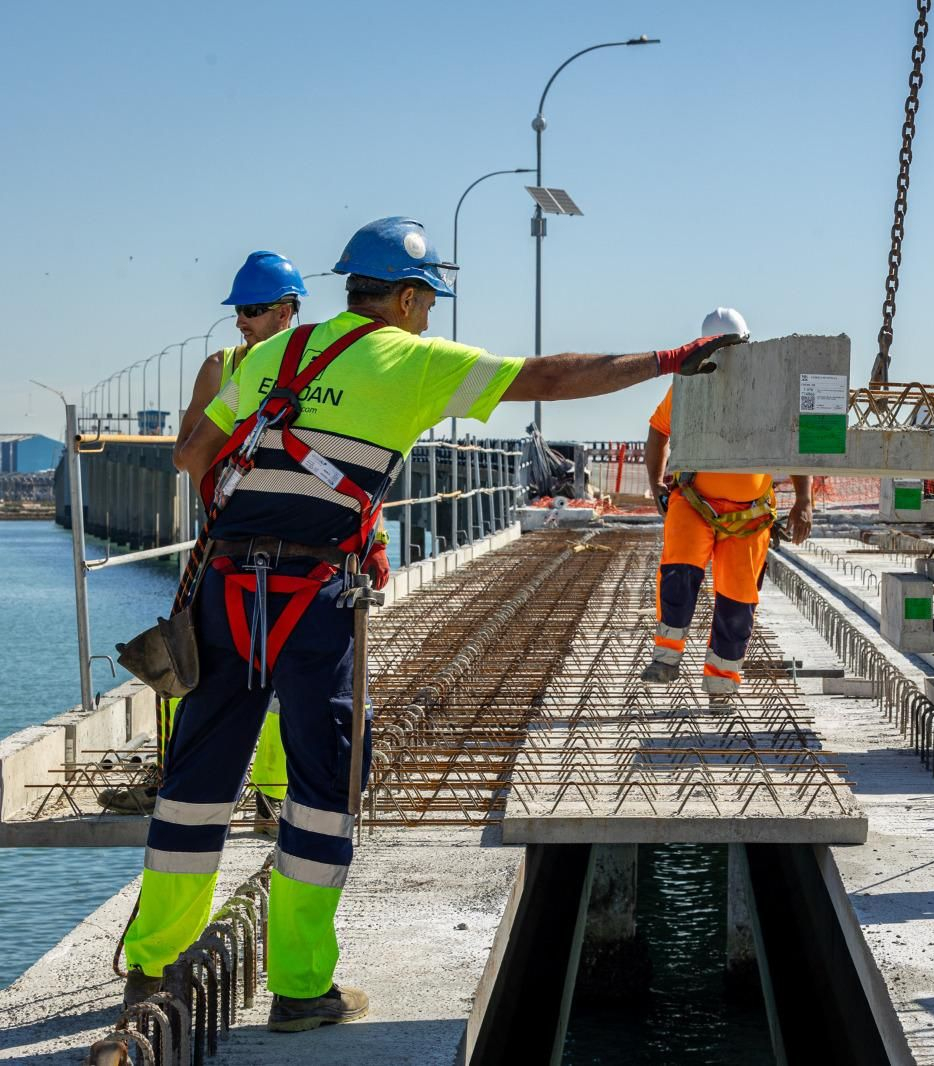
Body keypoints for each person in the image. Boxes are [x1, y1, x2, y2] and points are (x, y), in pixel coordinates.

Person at [121, 217, 743, 1030]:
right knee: (322, 791)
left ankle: (151, 964)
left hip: (229, 591)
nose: (430, 316)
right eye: (428, 302)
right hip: (313, 603)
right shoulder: (412, 360)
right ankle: (302, 987)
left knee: (195, 787)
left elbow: (195, 455)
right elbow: (552, 376)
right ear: (409, 298)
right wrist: (669, 361)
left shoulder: (276, 352)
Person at [99, 251, 307, 826]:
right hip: (229, 547)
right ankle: (194, 779)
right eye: (239, 309)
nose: (243, 319)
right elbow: (186, 454)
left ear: (288, 311)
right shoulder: (224, 366)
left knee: (287, 676)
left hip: (299, 549)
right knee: (214, 665)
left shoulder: (313, 366)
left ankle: (273, 792)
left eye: (255, 310)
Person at [641, 308, 813, 696]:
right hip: (695, 502)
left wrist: (804, 498)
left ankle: (721, 682)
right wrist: (656, 485)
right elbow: (658, 431)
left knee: (738, 603)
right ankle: (666, 657)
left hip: (749, 515)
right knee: (679, 577)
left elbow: (796, 441)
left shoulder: (768, 390)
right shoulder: (688, 386)